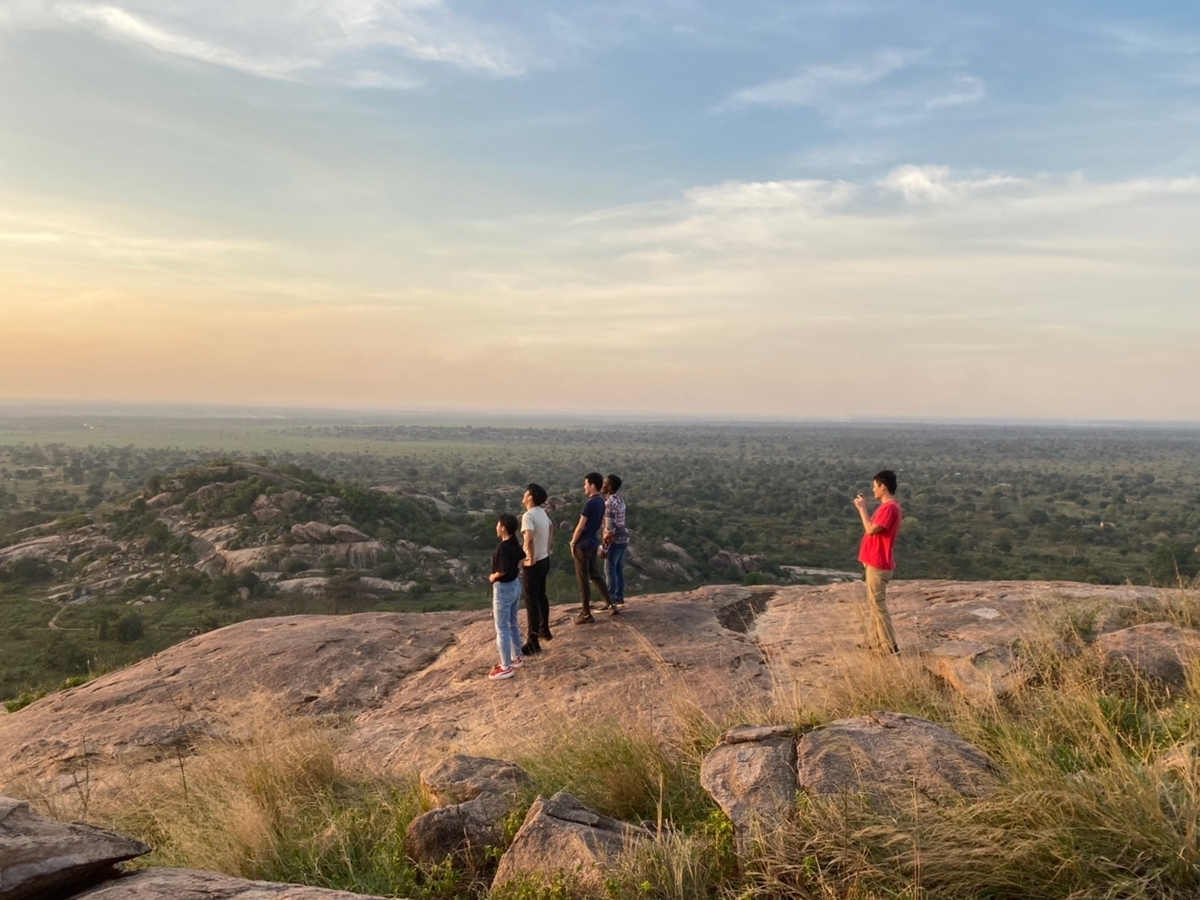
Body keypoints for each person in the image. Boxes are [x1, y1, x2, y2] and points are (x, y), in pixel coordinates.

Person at [853, 469, 903, 655]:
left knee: (878, 605)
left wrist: (862, 509)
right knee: (874, 604)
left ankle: (890, 646)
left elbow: (871, 530)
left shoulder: (889, 508)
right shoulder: (889, 507)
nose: (873, 490)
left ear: (883, 486)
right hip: (874, 561)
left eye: (875, 486)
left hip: (878, 562)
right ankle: (875, 641)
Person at [569, 472, 612, 623]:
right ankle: (610, 604)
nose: (584, 487)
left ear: (592, 486)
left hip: (583, 544)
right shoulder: (601, 502)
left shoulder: (589, 503)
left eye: (586, 484)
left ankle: (586, 614)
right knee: (595, 575)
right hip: (593, 543)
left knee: (583, 579)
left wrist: (573, 543)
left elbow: (581, 526)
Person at [487, 513, 525, 680]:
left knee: (501, 628)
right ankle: (517, 656)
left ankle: (505, 667)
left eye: (498, 524)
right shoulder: (515, 544)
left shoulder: (503, 547)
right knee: (512, 622)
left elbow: (501, 570)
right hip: (515, 585)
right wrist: (513, 572)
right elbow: (523, 559)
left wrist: (493, 577)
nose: (496, 527)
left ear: (503, 527)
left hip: (503, 589)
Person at [520, 483, 554, 655]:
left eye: (526, 493)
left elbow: (530, 539)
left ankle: (533, 641)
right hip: (544, 559)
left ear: (531, 497)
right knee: (541, 596)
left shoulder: (528, 516)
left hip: (534, 563)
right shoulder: (541, 512)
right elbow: (551, 527)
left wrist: (530, 558)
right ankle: (544, 629)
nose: (524, 495)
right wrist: (546, 549)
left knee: (531, 601)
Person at [601, 474, 629, 607]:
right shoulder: (620, 500)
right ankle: (619, 597)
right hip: (624, 537)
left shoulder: (609, 503)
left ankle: (610, 600)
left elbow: (609, 528)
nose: (602, 485)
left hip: (615, 539)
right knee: (618, 568)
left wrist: (604, 548)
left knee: (609, 569)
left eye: (605, 483)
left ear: (610, 487)